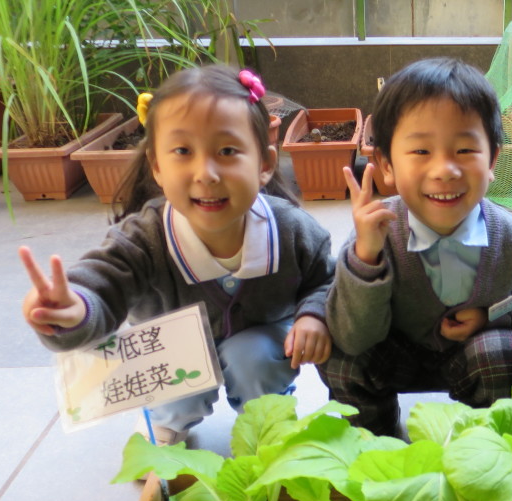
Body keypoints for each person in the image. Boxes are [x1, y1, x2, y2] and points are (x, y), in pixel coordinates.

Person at [19, 65, 335, 446]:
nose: (206, 173)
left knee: (255, 355)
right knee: (177, 371)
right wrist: (73, 312)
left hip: (261, 340)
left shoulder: (292, 230)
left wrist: (314, 314)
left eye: (228, 151)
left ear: (265, 164)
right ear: (157, 165)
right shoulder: (143, 237)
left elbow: (327, 281)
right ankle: (166, 421)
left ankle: (268, 420)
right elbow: (100, 285)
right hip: (171, 352)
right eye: (182, 151)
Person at [318, 57, 512, 437]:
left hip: (474, 356)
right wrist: (367, 258)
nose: (445, 169)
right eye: (420, 152)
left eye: (465, 150)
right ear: (385, 164)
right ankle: (372, 441)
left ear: (493, 159)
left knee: (503, 355)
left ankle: (488, 443)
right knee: (342, 357)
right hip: (392, 352)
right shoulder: (376, 234)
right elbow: (352, 336)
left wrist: (490, 318)